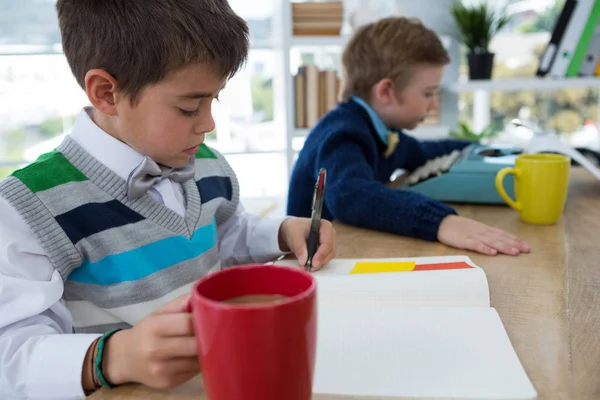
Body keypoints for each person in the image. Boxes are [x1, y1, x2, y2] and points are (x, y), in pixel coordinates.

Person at [0, 1, 336, 398]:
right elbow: (12, 356)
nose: (209, 123)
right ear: (106, 92)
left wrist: (281, 232)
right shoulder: (30, 206)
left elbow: (222, 235)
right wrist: (114, 357)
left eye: (215, 101)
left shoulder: (207, 165)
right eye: (189, 107)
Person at [287, 17, 530, 257]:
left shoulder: (384, 130)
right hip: (316, 266)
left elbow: (424, 152)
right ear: (386, 91)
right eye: (428, 93)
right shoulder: (343, 134)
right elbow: (350, 195)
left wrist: (483, 146)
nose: (434, 104)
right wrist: (439, 221)